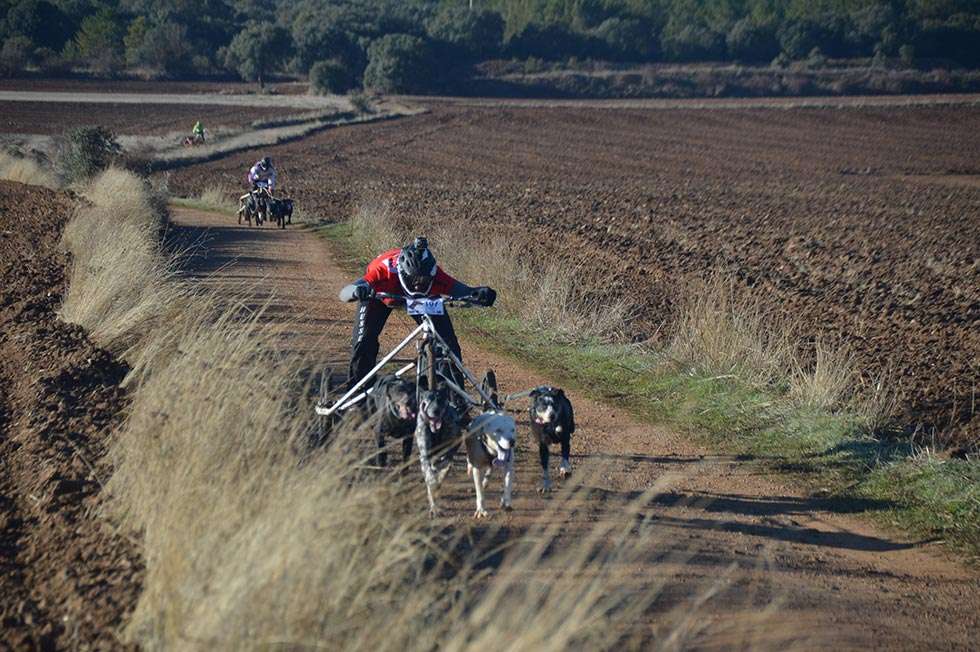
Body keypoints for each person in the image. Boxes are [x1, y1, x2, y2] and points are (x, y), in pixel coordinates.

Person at [339, 236, 496, 389]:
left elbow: (464, 291)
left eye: (424, 281)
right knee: (364, 342)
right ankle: (358, 394)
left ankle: (452, 398)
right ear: (402, 273)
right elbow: (344, 293)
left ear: (432, 275)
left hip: (423, 300)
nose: (417, 285)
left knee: (447, 344)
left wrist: (479, 294)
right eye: (413, 280)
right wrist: (358, 291)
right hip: (380, 295)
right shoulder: (383, 272)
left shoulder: (436, 276)